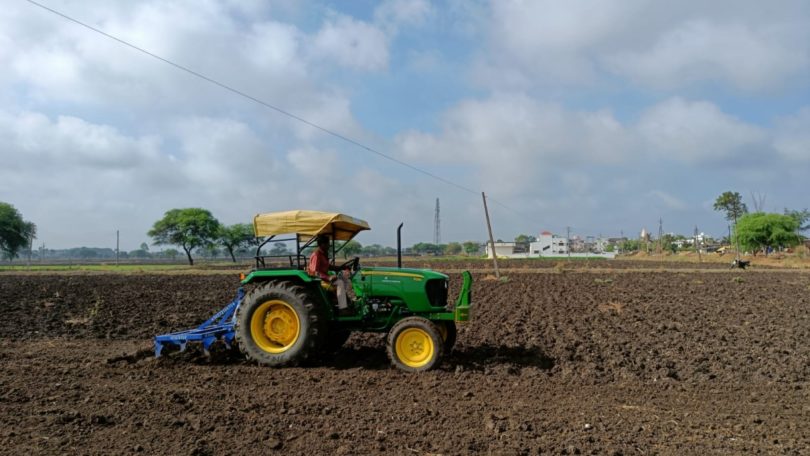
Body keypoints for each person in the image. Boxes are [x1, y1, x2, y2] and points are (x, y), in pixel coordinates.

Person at [307, 235, 352, 314]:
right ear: (322, 244)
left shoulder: (323, 254)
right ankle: (342, 308)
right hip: (320, 280)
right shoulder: (316, 255)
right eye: (328, 244)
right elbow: (314, 272)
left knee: (345, 279)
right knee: (340, 282)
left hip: (325, 278)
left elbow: (328, 266)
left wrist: (341, 267)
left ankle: (350, 302)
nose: (329, 246)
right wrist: (328, 277)